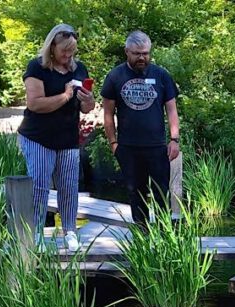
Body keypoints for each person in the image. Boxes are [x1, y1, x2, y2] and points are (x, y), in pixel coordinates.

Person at [17, 23, 95, 251]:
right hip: (38, 136)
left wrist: (87, 99)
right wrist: (66, 95)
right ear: (52, 47)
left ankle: (70, 231)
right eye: (64, 51)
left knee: (69, 186)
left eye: (72, 51)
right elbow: (35, 104)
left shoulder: (79, 69)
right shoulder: (37, 68)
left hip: (68, 138)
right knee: (40, 185)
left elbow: (87, 108)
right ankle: (37, 233)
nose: (68, 55)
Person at [101, 31, 180, 224]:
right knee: (136, 195)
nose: (142, 58)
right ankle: (142, 239)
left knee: (161, 194)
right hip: (128, 147)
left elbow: (171, 110)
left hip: (157, 146)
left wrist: (174, 139)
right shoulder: (115, 76)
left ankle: (164, 238)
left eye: (145, 53)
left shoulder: (161, 75)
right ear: (127, 51)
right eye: (137, 53)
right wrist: (113, 143)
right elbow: (108, 114)